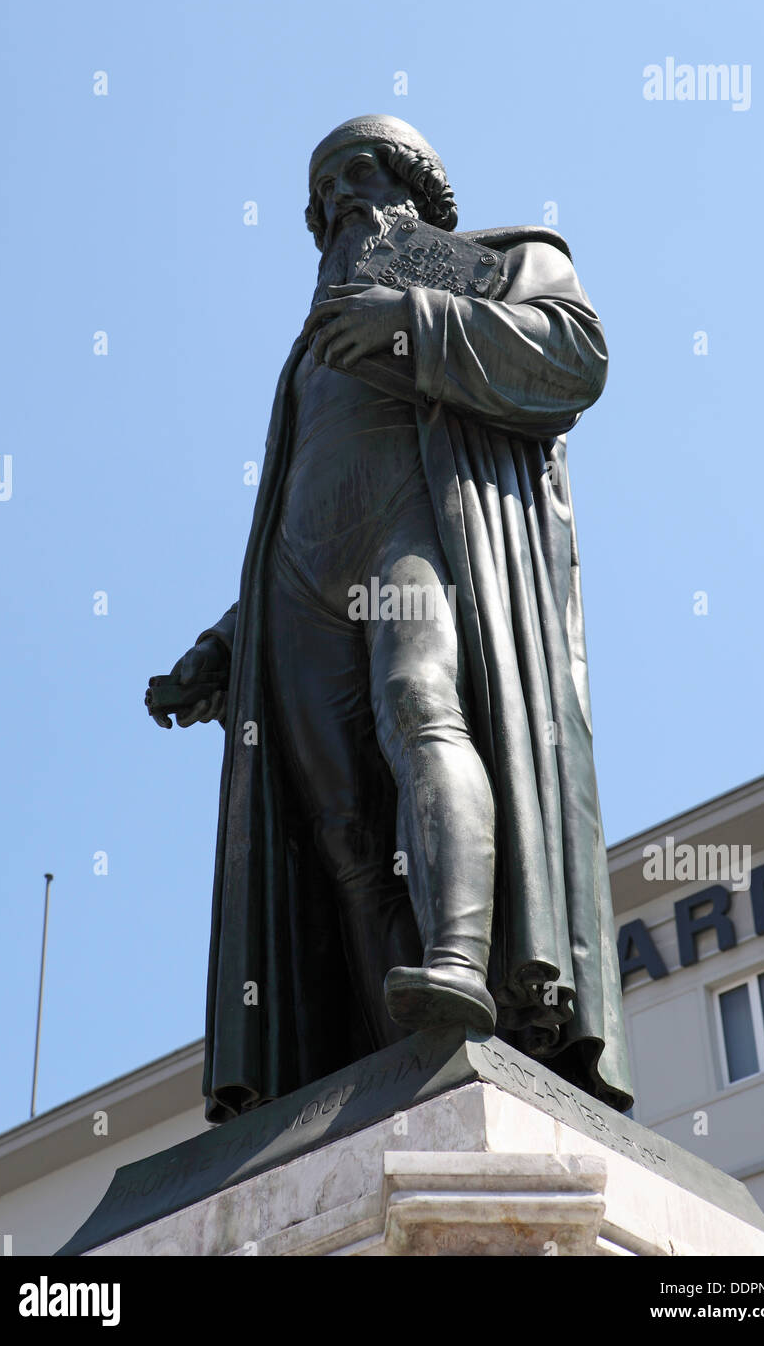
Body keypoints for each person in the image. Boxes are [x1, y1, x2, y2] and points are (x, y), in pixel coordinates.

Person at [149, 115, 633, 1123]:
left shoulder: (473, 260)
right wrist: (225, 643)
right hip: (299, 587)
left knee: (420, 704)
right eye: (320, 192)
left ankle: (460, 966)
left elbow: (574, 352)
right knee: (338, 825)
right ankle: (389, 1047)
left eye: (356, 172)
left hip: (420, 543)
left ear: (416, 186)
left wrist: (413, 320)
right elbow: (298, 503)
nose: (336, 199)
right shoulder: (305, 355)